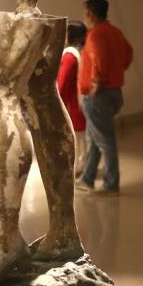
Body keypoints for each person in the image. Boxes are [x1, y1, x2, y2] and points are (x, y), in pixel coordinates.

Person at [75, 0, 133, 195]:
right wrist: (117, 71)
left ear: (90, 14)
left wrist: (97, 83)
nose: (84, 16)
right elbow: (128, 53)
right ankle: (87, 179)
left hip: (99, 96)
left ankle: (111, 184)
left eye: (85, 13)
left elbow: (99, 60)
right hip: (114, 92)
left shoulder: (96, 35)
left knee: (105, 142)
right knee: (94, 138)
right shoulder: (115, 32)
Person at [57, 21, 88, 177]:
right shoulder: (80, 53)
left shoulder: (69, 56)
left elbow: (62, 84)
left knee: (76, 138)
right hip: (80, 103)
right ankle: (82, 166)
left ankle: (77, 168)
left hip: (72, 104)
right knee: (81, 138)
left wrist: (56, 103)